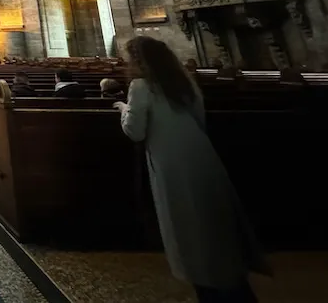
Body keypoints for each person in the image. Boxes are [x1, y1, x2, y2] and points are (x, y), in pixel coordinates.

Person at [114, 36, 268, 302]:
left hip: (171, 163)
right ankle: (233, 285)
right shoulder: (184, 81)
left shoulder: (141, 86)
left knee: (189, 230)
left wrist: (123, 109)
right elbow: (199, 119)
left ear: (140, 62)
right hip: (201, 154)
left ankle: (211, 289)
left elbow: (135, 131)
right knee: (216, 226)